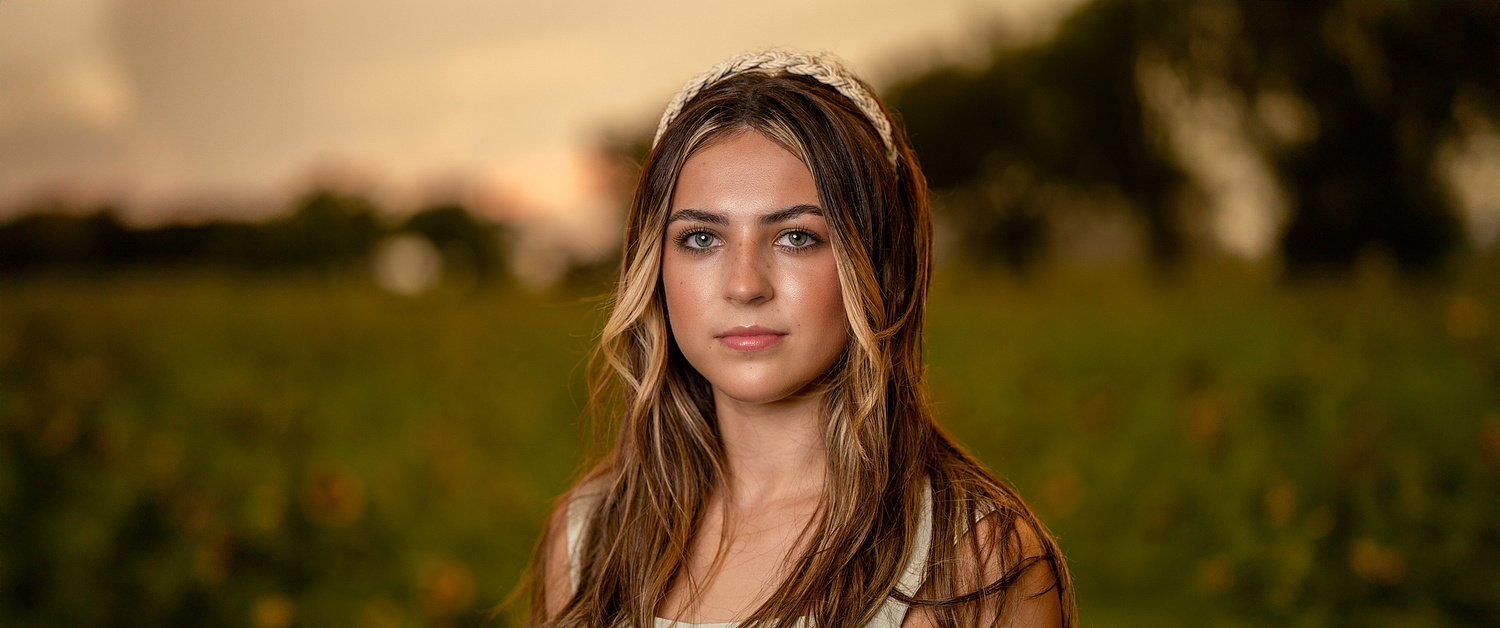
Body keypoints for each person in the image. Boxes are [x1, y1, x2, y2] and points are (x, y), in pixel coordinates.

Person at [522, 50, 1075, 628]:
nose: (744, 285)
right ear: (653, 268)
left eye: (795, 236)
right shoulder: (589, 540)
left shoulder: (975, 564)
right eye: (701, 238)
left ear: (880, 264)